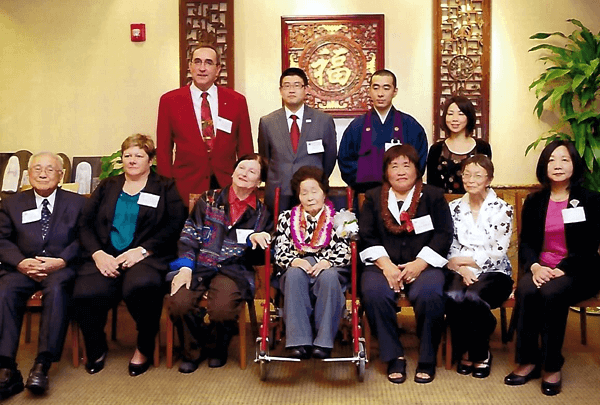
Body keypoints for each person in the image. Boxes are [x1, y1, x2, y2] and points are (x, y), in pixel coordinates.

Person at [73, 134, 187, 377]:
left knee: (141, 286)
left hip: (147, 256)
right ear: (121, 159)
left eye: (139, 155)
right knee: (85, 292)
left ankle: (144, 347)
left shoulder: (165, 186)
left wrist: (142, 250)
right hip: (107, 255)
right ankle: (96, 346)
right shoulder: (108, 185)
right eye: (127, 156)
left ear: (150, 160)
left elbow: (175, 225)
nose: (132, 160)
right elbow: (85, 223)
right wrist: (98, 254)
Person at [504, 140, 600, 396]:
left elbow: (590, 245)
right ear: (544, 166)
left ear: (574, 165)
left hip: (579, 269)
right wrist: (534, 267)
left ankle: (551, 365)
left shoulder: (590, 200)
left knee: (551, 293)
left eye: (564, 159)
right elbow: (526, 243)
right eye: (551, 160)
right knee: (526, 290)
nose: (557, 165)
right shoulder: (535, 201)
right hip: (541, 267)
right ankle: (528, 360)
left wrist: (564, 267)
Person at [168, 153, 272, 373]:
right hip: (199, 265)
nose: (244, 174)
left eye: (252, 171)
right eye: (241, 168)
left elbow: (261, 259)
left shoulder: (262, 213)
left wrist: (256, 244)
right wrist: (185, 267)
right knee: (179, 302)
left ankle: (217, 347)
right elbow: (188, 235)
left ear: (259, 182)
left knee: (223, 310)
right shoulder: (209, 199)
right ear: (233, 171)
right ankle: (193, 350)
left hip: (235, 270)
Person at [359, 144, 453, 384]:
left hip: (424, 265)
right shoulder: (373, 197)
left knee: (430, 293)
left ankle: (427, 358)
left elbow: (443, 233)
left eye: (406, 165)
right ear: (386, 172)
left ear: (416, 169)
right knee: (374, 291)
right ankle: (393, 357)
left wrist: (420, 263)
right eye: (394, 165)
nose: (401, 171)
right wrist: (386, 264)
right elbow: (367, 235)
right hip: (382, 264)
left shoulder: (432, 195)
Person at [0, 152, 86, 397]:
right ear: (29, 174)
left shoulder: (78, 203)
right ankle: (7, 368)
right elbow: (2, 239)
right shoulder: (11, 203)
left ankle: (42, 365)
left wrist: (61, 261)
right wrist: (20, 262)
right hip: (22, 267)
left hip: (60, 268)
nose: (43, 173)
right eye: (37, 168)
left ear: (61, 175)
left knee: (57, 290)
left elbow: (85, 238)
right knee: (5, 290)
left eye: (50, 169)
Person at [156, 43, 253, 205]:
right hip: (184, 187)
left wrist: (247, 185)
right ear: (190, 66)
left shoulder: (236, 101)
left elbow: (245, 150)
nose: (202, 68)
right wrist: (166, 188)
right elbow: (164, 151)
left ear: (218, 69)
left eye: (208, 63)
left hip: (228, 186)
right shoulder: (170, 101)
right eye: (197, 62)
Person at [444, 155, 513, 378]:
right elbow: (449, 244)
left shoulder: (502, 208)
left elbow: (497, 251)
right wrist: (461, 268)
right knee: (453, 295)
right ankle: (466, 348)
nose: (471, 179)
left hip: (495, 271)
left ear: (489, 179)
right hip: (458, 269)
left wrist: (465, 262)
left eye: (478, 175)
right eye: (466, 174)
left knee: (473, 297)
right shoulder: (453, 207)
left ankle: (479, 352)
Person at [274, 166, 352, 359]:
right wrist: (295, 261)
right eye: (304, 193)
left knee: (329, 276)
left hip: (330, 267)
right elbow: (280, 249)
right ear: (298, 196)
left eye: (314, 191)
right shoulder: (286, 218)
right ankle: (298, 341)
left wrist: (327, 261)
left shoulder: (340, 217)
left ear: (324, 193)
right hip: (297, 267)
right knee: (293, 274)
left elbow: (346, 250)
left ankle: (323, 342)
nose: (310, 197)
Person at [338, 69, 428, 196]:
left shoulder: (410, 125)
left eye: (386, 88)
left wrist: (401, 181)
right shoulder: (357, 126)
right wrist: (367, 179)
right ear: (369, 90)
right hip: (366, 194)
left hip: (403, 195)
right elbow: (345, 161)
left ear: (394, 91)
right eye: (376, 88)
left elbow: (419, 161)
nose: (380, 94)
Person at [258, 67, 337, 211]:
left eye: (297, 85)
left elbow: (329, 158)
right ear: (280, 91)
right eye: (287, 86)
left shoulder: (323, 120)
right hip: (279, 192)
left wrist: (316, 178)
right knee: (277, 232)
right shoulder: (267, 122)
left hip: (312, 192)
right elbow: (265, 157)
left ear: (306, 89)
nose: (291, 90)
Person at [426, 95, 491, 194]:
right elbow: (431, 187)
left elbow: (485, 181)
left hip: (475, 205)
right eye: (450, 114)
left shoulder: (482, 148)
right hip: (443, 206)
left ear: (469, 117)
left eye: (461, 114)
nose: (455, 119)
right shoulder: (436, 149)